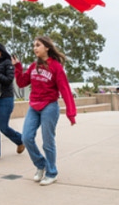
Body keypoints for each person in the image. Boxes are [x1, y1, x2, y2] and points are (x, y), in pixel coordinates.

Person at [13, 36, 78, 186]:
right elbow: (22, 83)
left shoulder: (56, 67)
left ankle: (51, 173)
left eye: (38, 45)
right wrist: (17, 67)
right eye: (34, 45)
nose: (35, 48)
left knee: (48, 142)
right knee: (26, 138)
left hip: (49, 106)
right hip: (34, 106)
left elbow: (65, 90)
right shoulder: (33, 66)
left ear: (47, 48)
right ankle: (41, 164)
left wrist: (71, 114)